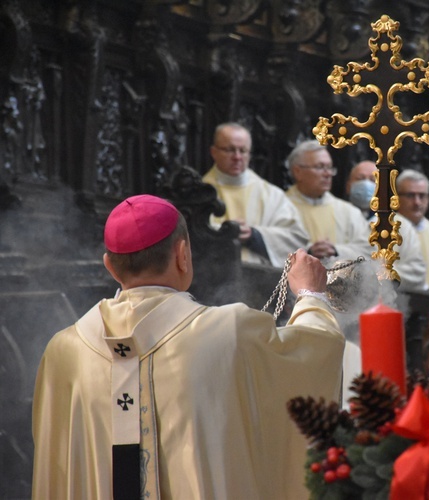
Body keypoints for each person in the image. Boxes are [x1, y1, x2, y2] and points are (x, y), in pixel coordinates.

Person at [31, 195, 345, 500]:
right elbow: (312, 354)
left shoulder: (63, 351)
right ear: (183, 254)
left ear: (109, 266)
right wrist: (310, 294)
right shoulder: (230, 333)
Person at [202, 122, 309, 267]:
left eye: (243, 150)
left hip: (260, 280)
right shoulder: (199, 193)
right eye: (230, 150)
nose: (237, 157)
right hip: (212, 278)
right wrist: (225, 233)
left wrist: (255, 236)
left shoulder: (271, 195)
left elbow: (297, 236)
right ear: (213, 152)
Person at [285, 140, 373, 262]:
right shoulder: (281, 206)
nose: (328, 174)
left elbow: (369, 251)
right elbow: (275, 247)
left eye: (329, 168)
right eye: (320, 167)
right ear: (297, 172)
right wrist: (308, 251)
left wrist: (336, 251)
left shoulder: (349, 213)